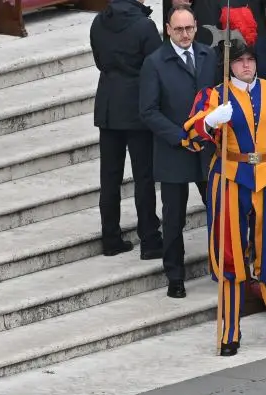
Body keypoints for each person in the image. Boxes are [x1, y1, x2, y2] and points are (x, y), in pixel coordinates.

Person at [184, 36, 266, 356]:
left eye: (250, 60)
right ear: (228, 65)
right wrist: (209, 122)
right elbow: (190, 138)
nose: (246, 65)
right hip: (229, 178)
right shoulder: (213, 96)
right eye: (239, 60)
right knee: (230, 257)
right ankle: (229, 332)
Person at [140, 6, 217, 299]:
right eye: (179, 29)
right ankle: (175, 276)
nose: (185, 34)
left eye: (189, 28)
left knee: (217, 209)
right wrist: (180, 136)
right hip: (175, 151)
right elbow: (148, 111)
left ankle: (223, 267)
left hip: (207, 149)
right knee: (173, 218)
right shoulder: (155, 62)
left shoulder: (208, 56)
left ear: (196, 27)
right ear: (168, 30)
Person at [92, 0, 164, 258]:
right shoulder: (144, 26)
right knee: (143, 177)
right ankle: (150, 240)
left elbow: (100, 61)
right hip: (136, 108)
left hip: (108, 106)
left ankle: (110, 237)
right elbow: (157, 66)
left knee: (109, 177)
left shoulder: (99, 21)